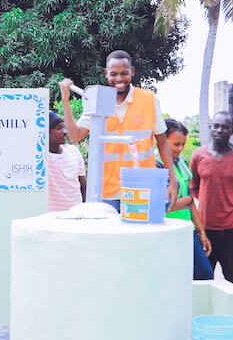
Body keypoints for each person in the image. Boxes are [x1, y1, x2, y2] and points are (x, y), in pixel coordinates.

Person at [58, 50, 178, 209]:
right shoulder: (97, 99)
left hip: (141, 189)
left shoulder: (148, 99)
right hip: (106, 192)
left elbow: (162, 142)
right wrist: (65, 101)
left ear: (132, 72)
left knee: (139, 233)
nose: (119, 79)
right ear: (106, 73)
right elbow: (74, 136)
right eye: (114, 74)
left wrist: (172, 180)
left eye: (124, 73)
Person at [189, 111, 233, 286]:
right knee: (202, 279)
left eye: (224, 127)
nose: (219, 130)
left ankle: (231, 313)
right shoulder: (198, 155)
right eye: (215, 126)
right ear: (210, 129)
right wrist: (206, 202)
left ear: (232, 131)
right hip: (204, 227)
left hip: (232, 229)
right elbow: (193, 186)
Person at [160, 119, 213, 280]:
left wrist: (201, 231)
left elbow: (189, 200)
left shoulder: (181, 161)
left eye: (183, 144)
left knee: (204, 275)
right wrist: (189, 200)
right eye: (176, 144)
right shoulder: (155, 164)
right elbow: (167, 206)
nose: (181, 148)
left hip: (187, 229)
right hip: (167, 232)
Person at [46, 111, 86, 212]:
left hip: (75, 215)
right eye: (59, 128)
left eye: (64, 127)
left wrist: (85, 210)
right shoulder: (41, 158)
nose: (65, 132)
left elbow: (83, 186)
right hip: (51, 217)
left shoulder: (73, 151)